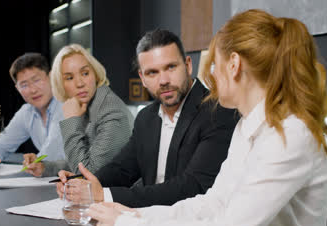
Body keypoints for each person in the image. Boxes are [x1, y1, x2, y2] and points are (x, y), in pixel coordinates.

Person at [87, 9, 327, 226]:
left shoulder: (291, 133)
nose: (212, 75)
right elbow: (213, 204)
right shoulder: (246, 126)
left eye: (215, 65)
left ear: (234, 64)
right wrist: (137, 217)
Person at [56, 29, 237, 207]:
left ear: (188, 65)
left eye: (171, 67)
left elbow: (192, 187)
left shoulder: (218, 112)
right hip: (145, 223)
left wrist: (103, 194)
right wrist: (80, 183)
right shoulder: (146, 118)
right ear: (142, 78)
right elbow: (122, 169)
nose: (163, 80)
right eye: (152, 72)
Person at [23, 44, 134, 176]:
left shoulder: (110, 112)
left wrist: (71, 121)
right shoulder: (88, 106)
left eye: (85, 73)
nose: (80, 83)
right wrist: (45, 167)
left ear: (96, 75)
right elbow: (82, 160)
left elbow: (87, 172)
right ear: (61, 84)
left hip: (122, 194)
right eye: (69, 78)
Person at [0, 53, 65, 169]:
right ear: (17, 89)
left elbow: (52, 151)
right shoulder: (27, 112)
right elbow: (0, 145)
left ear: (51, 76)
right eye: (24, 85)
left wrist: (34, 162)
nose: (33, 90)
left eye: (36, 80)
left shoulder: (65, 104)